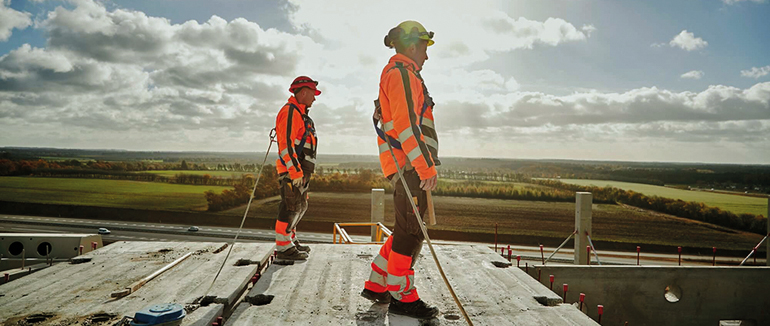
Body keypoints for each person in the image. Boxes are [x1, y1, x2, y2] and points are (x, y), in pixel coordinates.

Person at [361, 21, 440, 319]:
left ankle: (377, 283)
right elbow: (407, 127)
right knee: (411, 234)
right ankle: (403, 296)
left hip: (405, 166)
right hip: (410, 166)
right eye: (424, 48)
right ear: (410, 47)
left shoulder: (400, 75)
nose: (426, 56)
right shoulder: (403, 75)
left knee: (404, 229)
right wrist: (425, 167)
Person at [273, 76, 320, 260]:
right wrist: (294, 172)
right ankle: (283, 248)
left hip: (301, 172)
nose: (314, 99)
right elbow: (286, 144)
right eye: (313, 94)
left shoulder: (300, 113)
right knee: (290, 206)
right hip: (293, 172)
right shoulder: (290, 112)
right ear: (303, 92)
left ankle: (290, 240)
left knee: (300, 206)